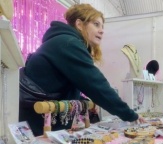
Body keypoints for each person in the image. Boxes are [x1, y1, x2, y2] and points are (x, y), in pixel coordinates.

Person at [19, 3, 145, 136]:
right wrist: (130, 115)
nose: (102, 30)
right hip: (35, 119)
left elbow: (59, 83)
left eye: (102, 26)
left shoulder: (63, 41)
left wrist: (80, 99)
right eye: (96, 24)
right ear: (79, 24)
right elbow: (96, 84)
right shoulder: (68, 43)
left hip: (37, 116)